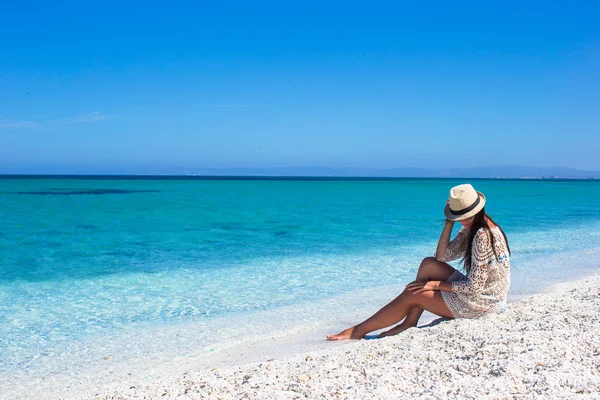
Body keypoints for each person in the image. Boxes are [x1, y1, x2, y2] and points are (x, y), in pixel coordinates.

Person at [327, 183, 511, 340]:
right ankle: (409, 322)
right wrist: (449, 223)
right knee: (428, 264)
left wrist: (436, 285)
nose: (462, 221)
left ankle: (358, 331)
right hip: (486, 295)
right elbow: (442, 256)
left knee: (413, 293)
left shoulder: (482, 235)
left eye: (464, 217)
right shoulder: (478, 226)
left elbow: (475, 287)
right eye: (459, 217)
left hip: (484, 305)